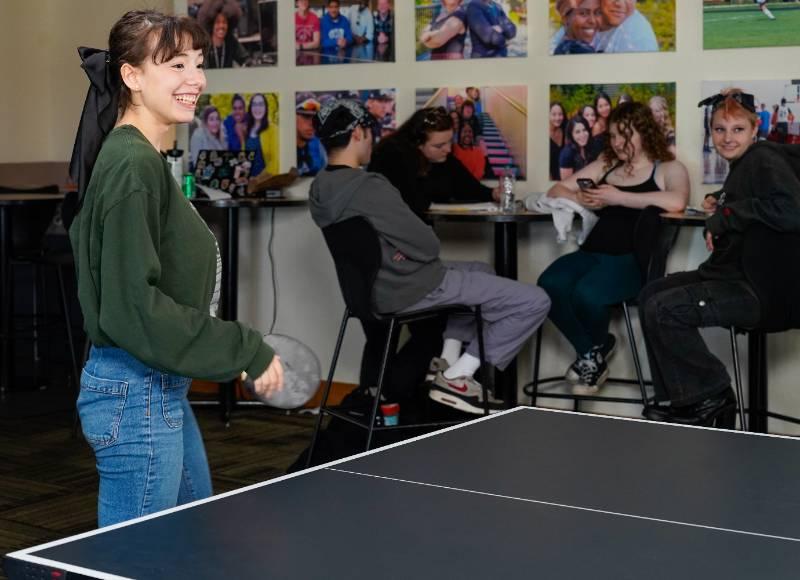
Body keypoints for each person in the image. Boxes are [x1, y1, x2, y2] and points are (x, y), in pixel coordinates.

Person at [68, 10, 283, 527]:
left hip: (159, 385)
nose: (196, 79)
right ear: (132, 76)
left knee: (187, 542)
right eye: (176, 64)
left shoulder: (142, 157)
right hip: (134, 394)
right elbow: (131, 308)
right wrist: (243, 346)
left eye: (199, 62)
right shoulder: (131, 165)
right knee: (135, 560)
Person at [309, 99, 550, 414]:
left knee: (481, 270)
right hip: (411, 287)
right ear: (358, 133)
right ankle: (457, 377)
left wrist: (397, 254)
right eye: (370, 132)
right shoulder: (369, 187)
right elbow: (426, 245)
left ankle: (446, 361)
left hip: (373, 292)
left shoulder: (321, 188)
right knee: (535, 301)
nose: (372, 139)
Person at [639, 89, 800, 427]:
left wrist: (727, 214)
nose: (728, 138)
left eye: (738, 129)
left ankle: (712, 396)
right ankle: (683, 398)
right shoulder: (746, 164)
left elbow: (790, 210)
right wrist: (721, 199)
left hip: (764, 291)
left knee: (663, 308)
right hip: (735, 276)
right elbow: (756, 199)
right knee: (651, 294)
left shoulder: (761, 158)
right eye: (719, 129)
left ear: (755, 130)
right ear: (710, 132)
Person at [539, 102, 689, 393]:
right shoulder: (607, 164)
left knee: (587, 295)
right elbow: (555, 190)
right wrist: (587, 200)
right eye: (613, 136)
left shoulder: (668, 167)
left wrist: (617, 197)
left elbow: (677, 201)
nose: (618, 143)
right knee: (549, 283)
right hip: (592, 252)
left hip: (631, 260)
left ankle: (590, 356)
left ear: (644, 133)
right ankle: (593, 353)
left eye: (625, 135)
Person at [368, 106, 502, 218]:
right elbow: (414, 203)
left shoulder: (441, 156)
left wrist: (492, 193)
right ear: (417, 143)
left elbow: (466, 185)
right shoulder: (390, 155)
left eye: (450, 141)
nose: (448, 149)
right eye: (439, 146)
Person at [197, 0, 251, 68]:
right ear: (211, 24)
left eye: (224, 22)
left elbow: (246, 59)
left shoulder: (231, 41)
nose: (221, 26)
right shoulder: (205, 45)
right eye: (217, 22)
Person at [243, 93, 278, 177]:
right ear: (250, 108)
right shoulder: (246, 130)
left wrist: (257, 180)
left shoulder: (273, 129)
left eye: (261, 104)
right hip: (248, 183)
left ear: (266, 108)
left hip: (266, 182)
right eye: (254, 105)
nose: (257, 108)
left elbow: (275, 161)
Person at [296, 96, 326, 176]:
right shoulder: (281, 148)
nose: (312, 124)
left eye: (315, 118)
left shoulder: (319, 146)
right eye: (306, 117)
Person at [558, 115, 593, 180]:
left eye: (584, 130)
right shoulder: (567, 154)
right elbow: (566, 184)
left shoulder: (587, 146)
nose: (582, 135)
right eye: (577, 132)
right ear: (571, 135)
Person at [549, 102, 568, 181]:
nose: (557, 118)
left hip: (565, 176)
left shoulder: (565, 129)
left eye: (560, 114)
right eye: (554, 114)